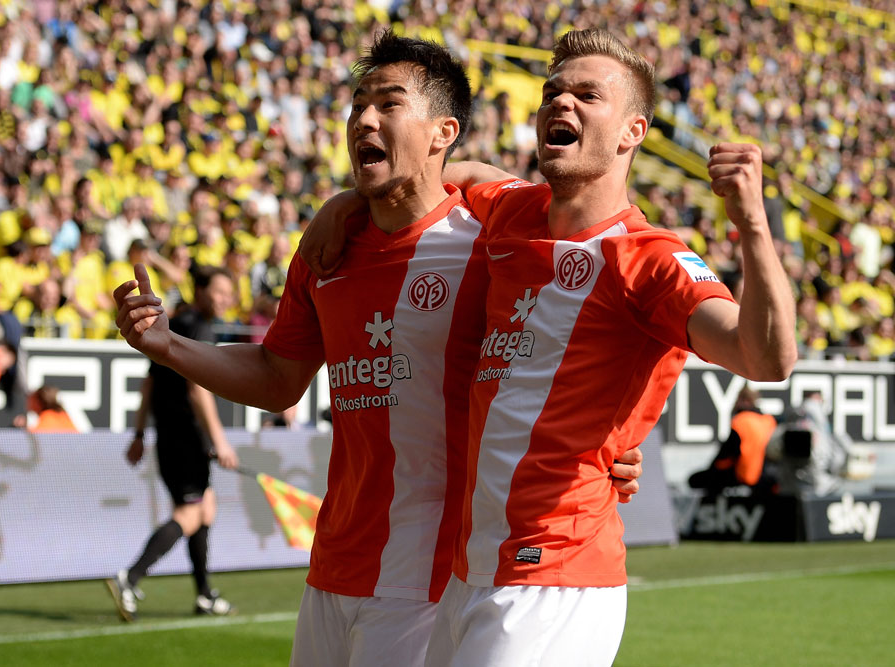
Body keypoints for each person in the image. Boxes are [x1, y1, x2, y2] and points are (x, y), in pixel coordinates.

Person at [114, 31, 641, 666]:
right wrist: (168, 346)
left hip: (435, 580)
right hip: (334, 564)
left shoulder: (492, 240)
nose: (364, 118)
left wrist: (613, 443)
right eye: (358, 104)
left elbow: (591, 318)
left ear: (443, 132)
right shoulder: (327, 251)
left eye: (389, 104)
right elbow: (278, 377)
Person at [303, 27, 795, 667]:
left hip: (558, 576)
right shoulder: (513, 212)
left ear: (633, 132)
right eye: (552, 92)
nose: (561, 102)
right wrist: (344, 204)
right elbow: (447, 173)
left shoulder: (649, 259)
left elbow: (766, 359)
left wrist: (753, 226)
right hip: (471, 570)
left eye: (589, 95)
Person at [106, 265, 240, 622]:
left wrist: (139, 434)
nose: (225, 299)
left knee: (205, 508)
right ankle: (130, 578)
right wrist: (220, 441)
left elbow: (149, 383)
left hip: (171, 436)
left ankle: (204, 595)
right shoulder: (199, 327)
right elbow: (198, 389)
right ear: (200, 290)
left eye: (229, 293)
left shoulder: (175, 323)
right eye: (219, 291)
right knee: (191, 513)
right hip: (185, 439)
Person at [688, 387, 778, 495]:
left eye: (737, 400)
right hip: (766, 478)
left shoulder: (741, 421)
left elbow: (726, 455)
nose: (735, 403)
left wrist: (713, 468)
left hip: (744, 476)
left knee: (695, 479)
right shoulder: (769, 421)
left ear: (745, 401)